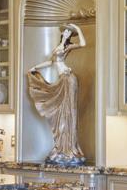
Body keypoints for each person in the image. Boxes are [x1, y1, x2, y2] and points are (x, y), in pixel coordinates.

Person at [27, 23, 86, 165]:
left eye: (69, 32)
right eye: (65, 31)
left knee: (68, 111)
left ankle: (68, 148)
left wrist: (78, 29)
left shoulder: (68, 47)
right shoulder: (58, 47)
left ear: (71, 35)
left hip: (69, 79)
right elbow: (51, 62)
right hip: (62, 79)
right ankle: (62, 147)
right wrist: (35, 67)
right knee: (61, 112)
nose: (66, 33)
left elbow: (83, 44)